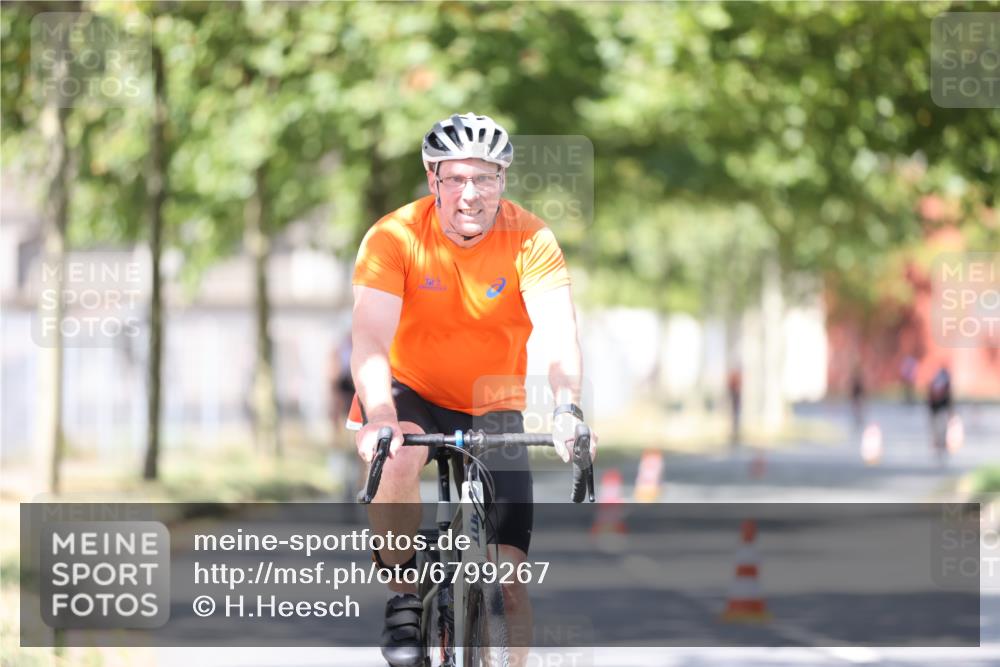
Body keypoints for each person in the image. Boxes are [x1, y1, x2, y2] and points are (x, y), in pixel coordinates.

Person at [349, 113, 596, 666]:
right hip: (408, 391)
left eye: (484, 178)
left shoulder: (531, 237)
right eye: (457, 178)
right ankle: (403, 594)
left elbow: (559, 334)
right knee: (395, 459)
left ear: (502, 180)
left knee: (509, 583)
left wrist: (567, 409)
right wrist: (380, 416)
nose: (470, 193)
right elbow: (369, 338)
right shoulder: (394, 236)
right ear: (433, 178)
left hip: (493, 403)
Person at [927, 365, 953, 464]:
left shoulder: (936, 383)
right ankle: (940, 446)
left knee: (939, 430)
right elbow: (948, 398)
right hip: (939, 410)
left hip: (938, 410)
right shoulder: (944, 384)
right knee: (940, 430)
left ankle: (940, 446)